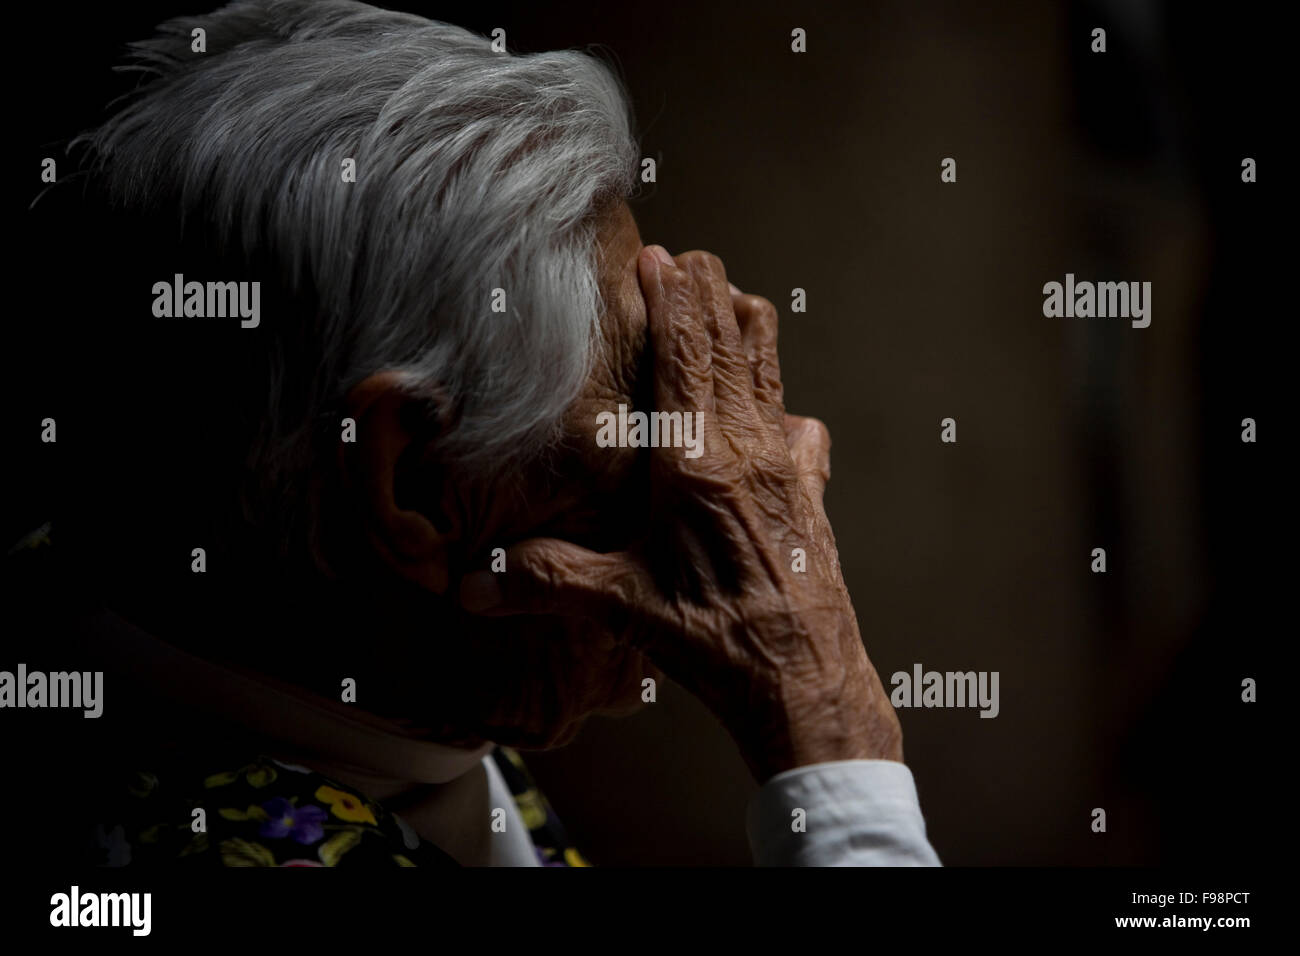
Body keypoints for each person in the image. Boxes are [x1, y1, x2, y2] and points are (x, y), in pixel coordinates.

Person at [10, 0, 940, 867]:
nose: (739, 466)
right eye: (655, 400)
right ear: (413, 483)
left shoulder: (355, 690)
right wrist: (829, 728)